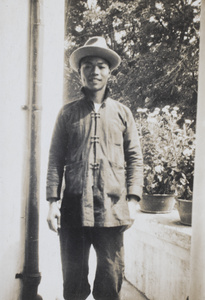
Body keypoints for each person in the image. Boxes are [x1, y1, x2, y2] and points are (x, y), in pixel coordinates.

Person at [46, 36, 143, 300]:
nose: (94, 71)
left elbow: (135, 157)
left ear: (109, 71)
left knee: (110, 279)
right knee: (73, 282)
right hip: (73, 209)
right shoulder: (67, 113)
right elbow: (55, 158)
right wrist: (53, 202)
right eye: (87, 65)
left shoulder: (123, 113)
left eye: (101, 65)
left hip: (111, 209)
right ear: (80, 72)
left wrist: (133, 200)